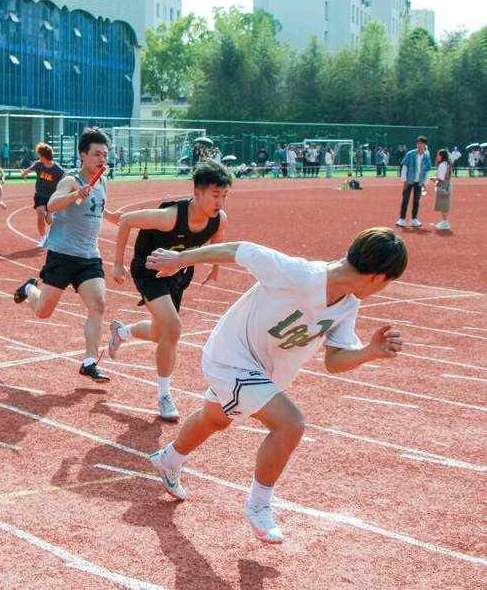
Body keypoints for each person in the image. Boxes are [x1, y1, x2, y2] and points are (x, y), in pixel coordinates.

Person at [146, 227, 408, 544]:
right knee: (290, 423)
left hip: (261, 374)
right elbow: (240, 250)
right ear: (378, 278)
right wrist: (180, 259)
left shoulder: (348, 304)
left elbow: (334, 361)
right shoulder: (300, 274)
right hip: (231, 358)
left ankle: (169, 460)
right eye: (388, 283)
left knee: (214, 419)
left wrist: (368, 352)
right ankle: (259, 505)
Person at [109, 160, 231, 420]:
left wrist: (215, 268)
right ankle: (164, 396)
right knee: (173, 328)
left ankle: (122, 332)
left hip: (178, 272)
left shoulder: (218, 219)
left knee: (159, 332)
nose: (220, 202)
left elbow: (218, 241)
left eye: (224, 195)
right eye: (215, 195)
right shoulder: (170, 217)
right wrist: (118, 265)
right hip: (149, 270)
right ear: (197, 193)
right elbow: (126, 220)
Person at [12, 128, 122, 383]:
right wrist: (75, 194)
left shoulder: (103, 181)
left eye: (105, 155)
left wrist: (111, 216)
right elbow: (52, 205)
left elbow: (96, 206)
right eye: (97, 154)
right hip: (62, 255)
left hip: (89, 256)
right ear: (83, 155)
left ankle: (89, 362)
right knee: (43, 312)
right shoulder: (71, 181)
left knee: (98, 305)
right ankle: (30, 289)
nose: (102, 159)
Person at [21, 142, 65, 249]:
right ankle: (43, 238)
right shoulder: (38, 165)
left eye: (39, 155)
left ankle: (56, 236)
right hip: (40, 195)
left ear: (44, 156)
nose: (38, 157)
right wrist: (24, 174)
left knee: (49, 220)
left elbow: (62, 186)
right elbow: (27, 171)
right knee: (40, 216)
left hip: (53, 197)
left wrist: (50, 211)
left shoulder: (58, 170)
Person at [396, 136, 431, 228]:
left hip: (419, 182)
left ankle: (414, 219)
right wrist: (404, 180)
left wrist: (425, 182)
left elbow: (428, 171)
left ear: (425, 145)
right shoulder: (410, 154)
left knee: (416, 200)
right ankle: (402, 219)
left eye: (421, 143)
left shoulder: (426, 157)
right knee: (405, 199)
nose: (419, 145)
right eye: (418, 143)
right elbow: (404, 167)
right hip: (409, 181)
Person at [431, 148, 453, 231]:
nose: (437, 157)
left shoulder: (442, 165)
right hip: (446, 185)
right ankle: (444, 221)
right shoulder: (447, 164)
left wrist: (434, 178)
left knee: (443, 204)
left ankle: (445, 222)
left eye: (438, 155)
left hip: (443, 186)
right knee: (444, 203)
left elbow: (441, 177)